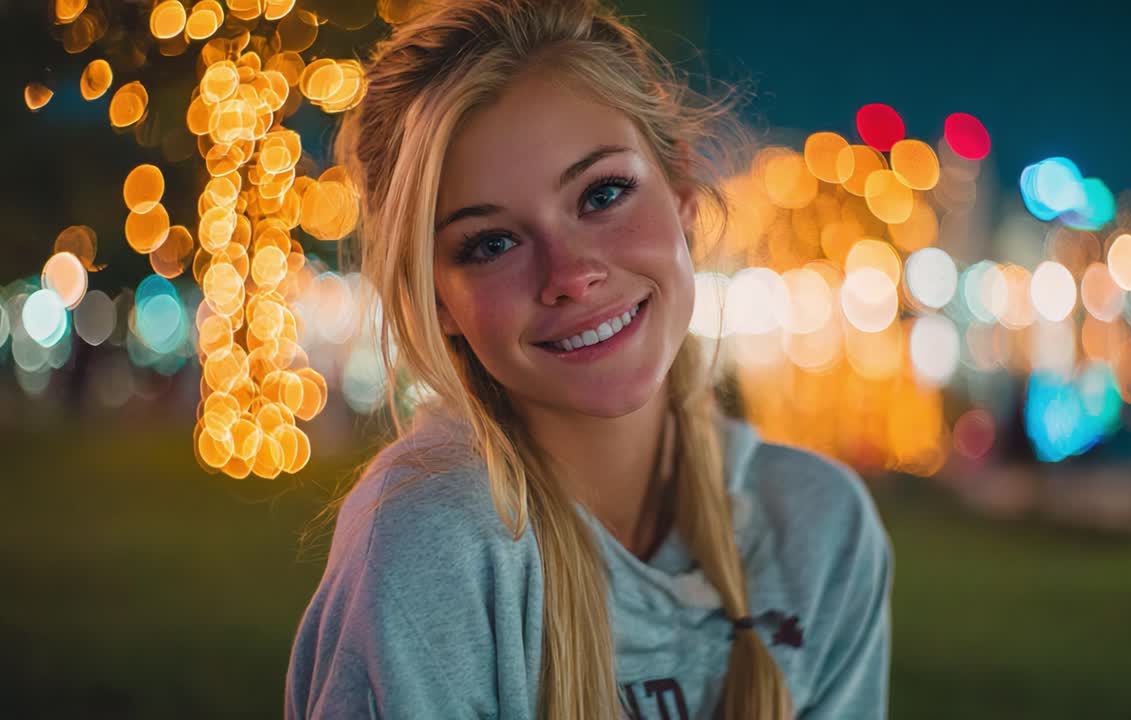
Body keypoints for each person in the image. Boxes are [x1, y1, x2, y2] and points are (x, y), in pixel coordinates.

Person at [285, 1, 893, 717]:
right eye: (491, 243)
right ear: (437, 301)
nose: (569, 274)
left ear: (685, 199)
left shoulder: (818, 529)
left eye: (602, 194)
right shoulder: (435, 543)